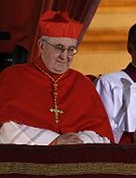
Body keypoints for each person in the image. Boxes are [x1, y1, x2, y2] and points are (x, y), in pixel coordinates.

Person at [0, 11, 113, 144]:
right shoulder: (14, 76)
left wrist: (80, 141)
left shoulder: (82, 83)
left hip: (76, 159)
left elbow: (102, 134)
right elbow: (5, 128)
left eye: (71, 49)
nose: (64, 56)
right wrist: (54, 140)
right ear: (42, 46)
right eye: (59, 48)